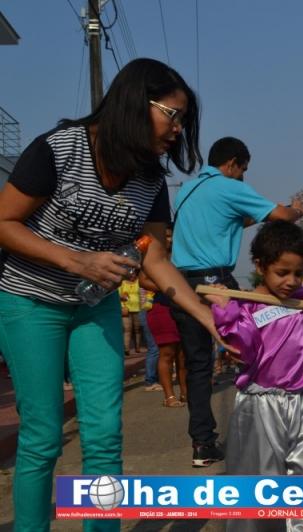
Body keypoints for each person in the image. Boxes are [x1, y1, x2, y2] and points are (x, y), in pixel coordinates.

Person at [0, 58, 229, 531]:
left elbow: (156, 259)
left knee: (105, 435)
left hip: (93, 308)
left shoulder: (150, 180)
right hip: (29, 301)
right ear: (136, 103)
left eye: (183, 120)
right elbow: (4, 222)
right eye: (173, 115)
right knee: (43, 437)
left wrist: (207, 317)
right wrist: (76, 260)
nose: (178, 130)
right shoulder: (58, 149)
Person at [207, 221, 303, 532]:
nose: (291, 281)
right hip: (260, 404)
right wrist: (225, 310)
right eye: (282, 272)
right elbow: (242, 350)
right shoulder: (245, 306)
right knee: (259, 479)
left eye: (298, 273)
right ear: (260, 265)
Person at [170, 136, 303, 467]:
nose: (243, 177)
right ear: (232, 164)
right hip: (218, 285)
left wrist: (259, 215)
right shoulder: (228, 186)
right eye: (243, 170)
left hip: (184, 285)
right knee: (253, 351)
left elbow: (231, 220)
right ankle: (262, 432)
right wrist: (296, 210)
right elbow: (282, 215)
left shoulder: (187, 190)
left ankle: (202, 444)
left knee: (198, 365)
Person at [141, 224, 188, 407]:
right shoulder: (151, 256)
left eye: (171, 236)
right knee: (167, 353)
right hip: (161, 307)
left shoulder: (182, 255)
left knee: (182, 355)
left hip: (183, 306)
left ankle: (185, 393)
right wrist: (169, 287)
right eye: (166, 235)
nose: (169, 239)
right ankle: (169, 397)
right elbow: (143, 280)